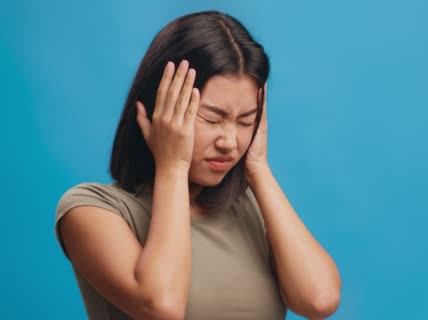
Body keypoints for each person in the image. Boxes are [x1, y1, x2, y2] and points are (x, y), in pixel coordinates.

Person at [54, 11, 341, 320]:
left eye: (246, 121)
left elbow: (319, 300)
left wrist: (258, 166)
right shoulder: (91, 211)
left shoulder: (249, 207)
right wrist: (173, 166)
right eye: (212, 118)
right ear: (157, 108)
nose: (229, 142)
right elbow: (162, 306)